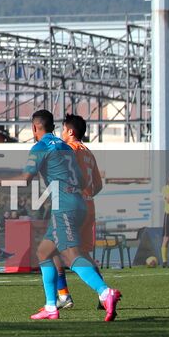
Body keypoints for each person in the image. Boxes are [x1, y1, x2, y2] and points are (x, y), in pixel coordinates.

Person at [24, 108, 121, 322]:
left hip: (66, 205)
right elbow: (92, 184)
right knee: (46, 252)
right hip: (85, 205)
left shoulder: (66, 148)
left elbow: (34, 176)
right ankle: (53, 306)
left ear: (68, 131)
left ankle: (102, 293)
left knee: (70, 254)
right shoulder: (86, 152)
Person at [51, 113, 104, 308]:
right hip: (89, 206)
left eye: (63, 129)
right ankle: (103, 294)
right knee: (83, 253)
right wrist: (86, 194)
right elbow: (98, 185)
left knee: (52, 249)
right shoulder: (88, 153)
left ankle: (64, 295)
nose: (61, 133)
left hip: (72, 206)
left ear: (70, 132)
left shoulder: (70, 150)